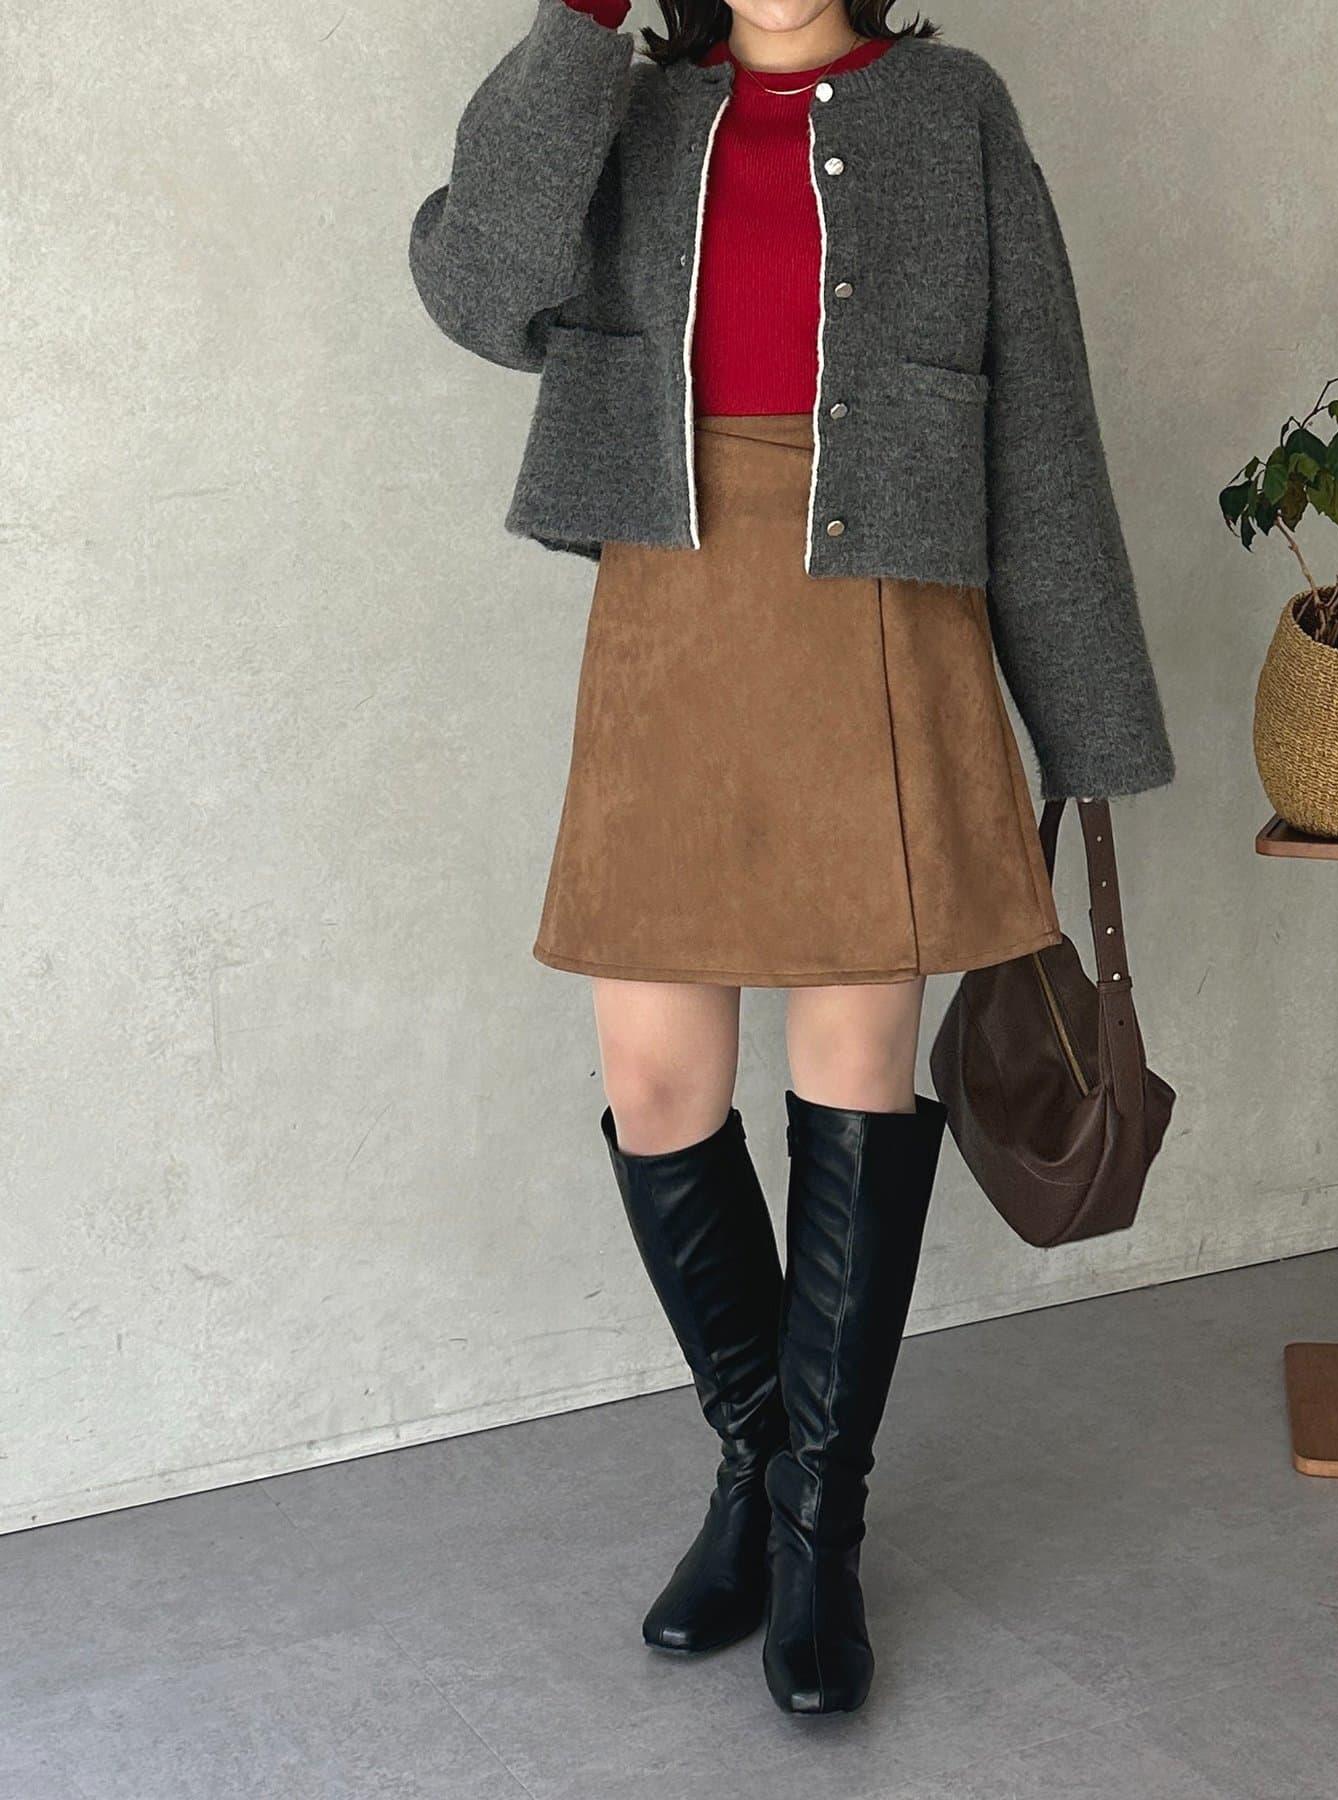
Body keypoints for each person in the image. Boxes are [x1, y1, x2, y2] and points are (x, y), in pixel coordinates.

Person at [409, 0, 1174, 1715]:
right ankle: (757, 1466)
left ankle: (819, 1524)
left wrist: (1088, 726)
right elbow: (477, 284)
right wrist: (581, 25)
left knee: (851, 1079)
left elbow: (1042, 422)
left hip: (880, 630)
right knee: (655, 1082)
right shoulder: (629, 109)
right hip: (669, 630)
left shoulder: (954, 113)